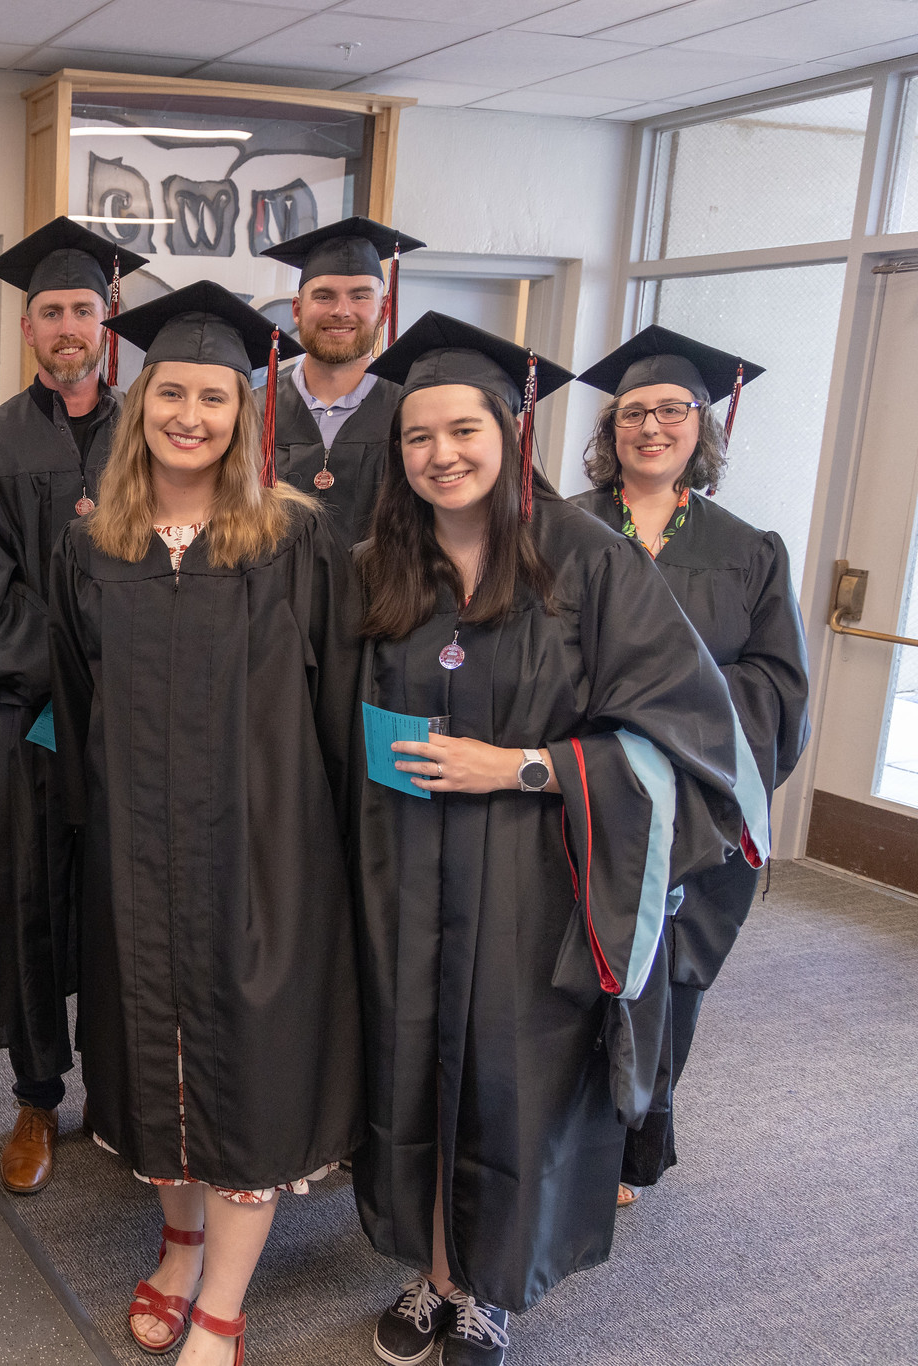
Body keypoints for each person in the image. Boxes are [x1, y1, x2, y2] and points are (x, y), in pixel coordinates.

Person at [352, 314, 761, 1366]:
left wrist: (525, 764)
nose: (440, 454)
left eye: (462, 430)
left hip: (536, 876)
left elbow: (689, 729)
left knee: (510, 1082)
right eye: (416, 437)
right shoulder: (379, 563)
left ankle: (489, 1289)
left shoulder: (585, 562)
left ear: (507, 429)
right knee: (411, 1071)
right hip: (403, 870)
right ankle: (430, 1269)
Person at [50, 282, 362, 1364]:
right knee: (150, 1068)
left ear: (244, 414)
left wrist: (319, 862)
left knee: (253, 1070)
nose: (189, 414)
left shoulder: (293, 543)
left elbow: (335, 721)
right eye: (169, 393)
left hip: (266, 858)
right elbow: (76, 707)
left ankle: (221, 1302)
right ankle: (176, 1245)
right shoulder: (91, 549)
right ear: (139, 407)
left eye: (213, 397)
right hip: (134, 862)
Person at [570, 326, 808, 1206]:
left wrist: (677, 726)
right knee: (575, 967)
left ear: (702, 427)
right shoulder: (564, 527)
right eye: (634, 412)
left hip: (697, 807)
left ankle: (636, 1143)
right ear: (613, 430)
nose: (653, 426)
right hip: (584, 793)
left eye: (673, 410)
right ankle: (564, 1133)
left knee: (667, 974)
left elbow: (779, 686)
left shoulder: (750, 549)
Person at [0, 215, 145, 1196]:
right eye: (49, 310)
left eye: (81, 308)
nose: (67, 325)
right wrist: (70, 674)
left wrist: (126, 676)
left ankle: (116, 1083)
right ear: (27, 328)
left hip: (135, 712)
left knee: (120, 892)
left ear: (107, 320)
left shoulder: (151, 429)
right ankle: (35, 1093)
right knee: (27, 894)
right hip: (31, 715)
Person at [258, 217, 426, 541]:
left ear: (384, 309)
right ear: (296, 309)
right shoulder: (252, 411)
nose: (341, 311)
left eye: (360, 296)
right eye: (324, 296)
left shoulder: (412, 413)